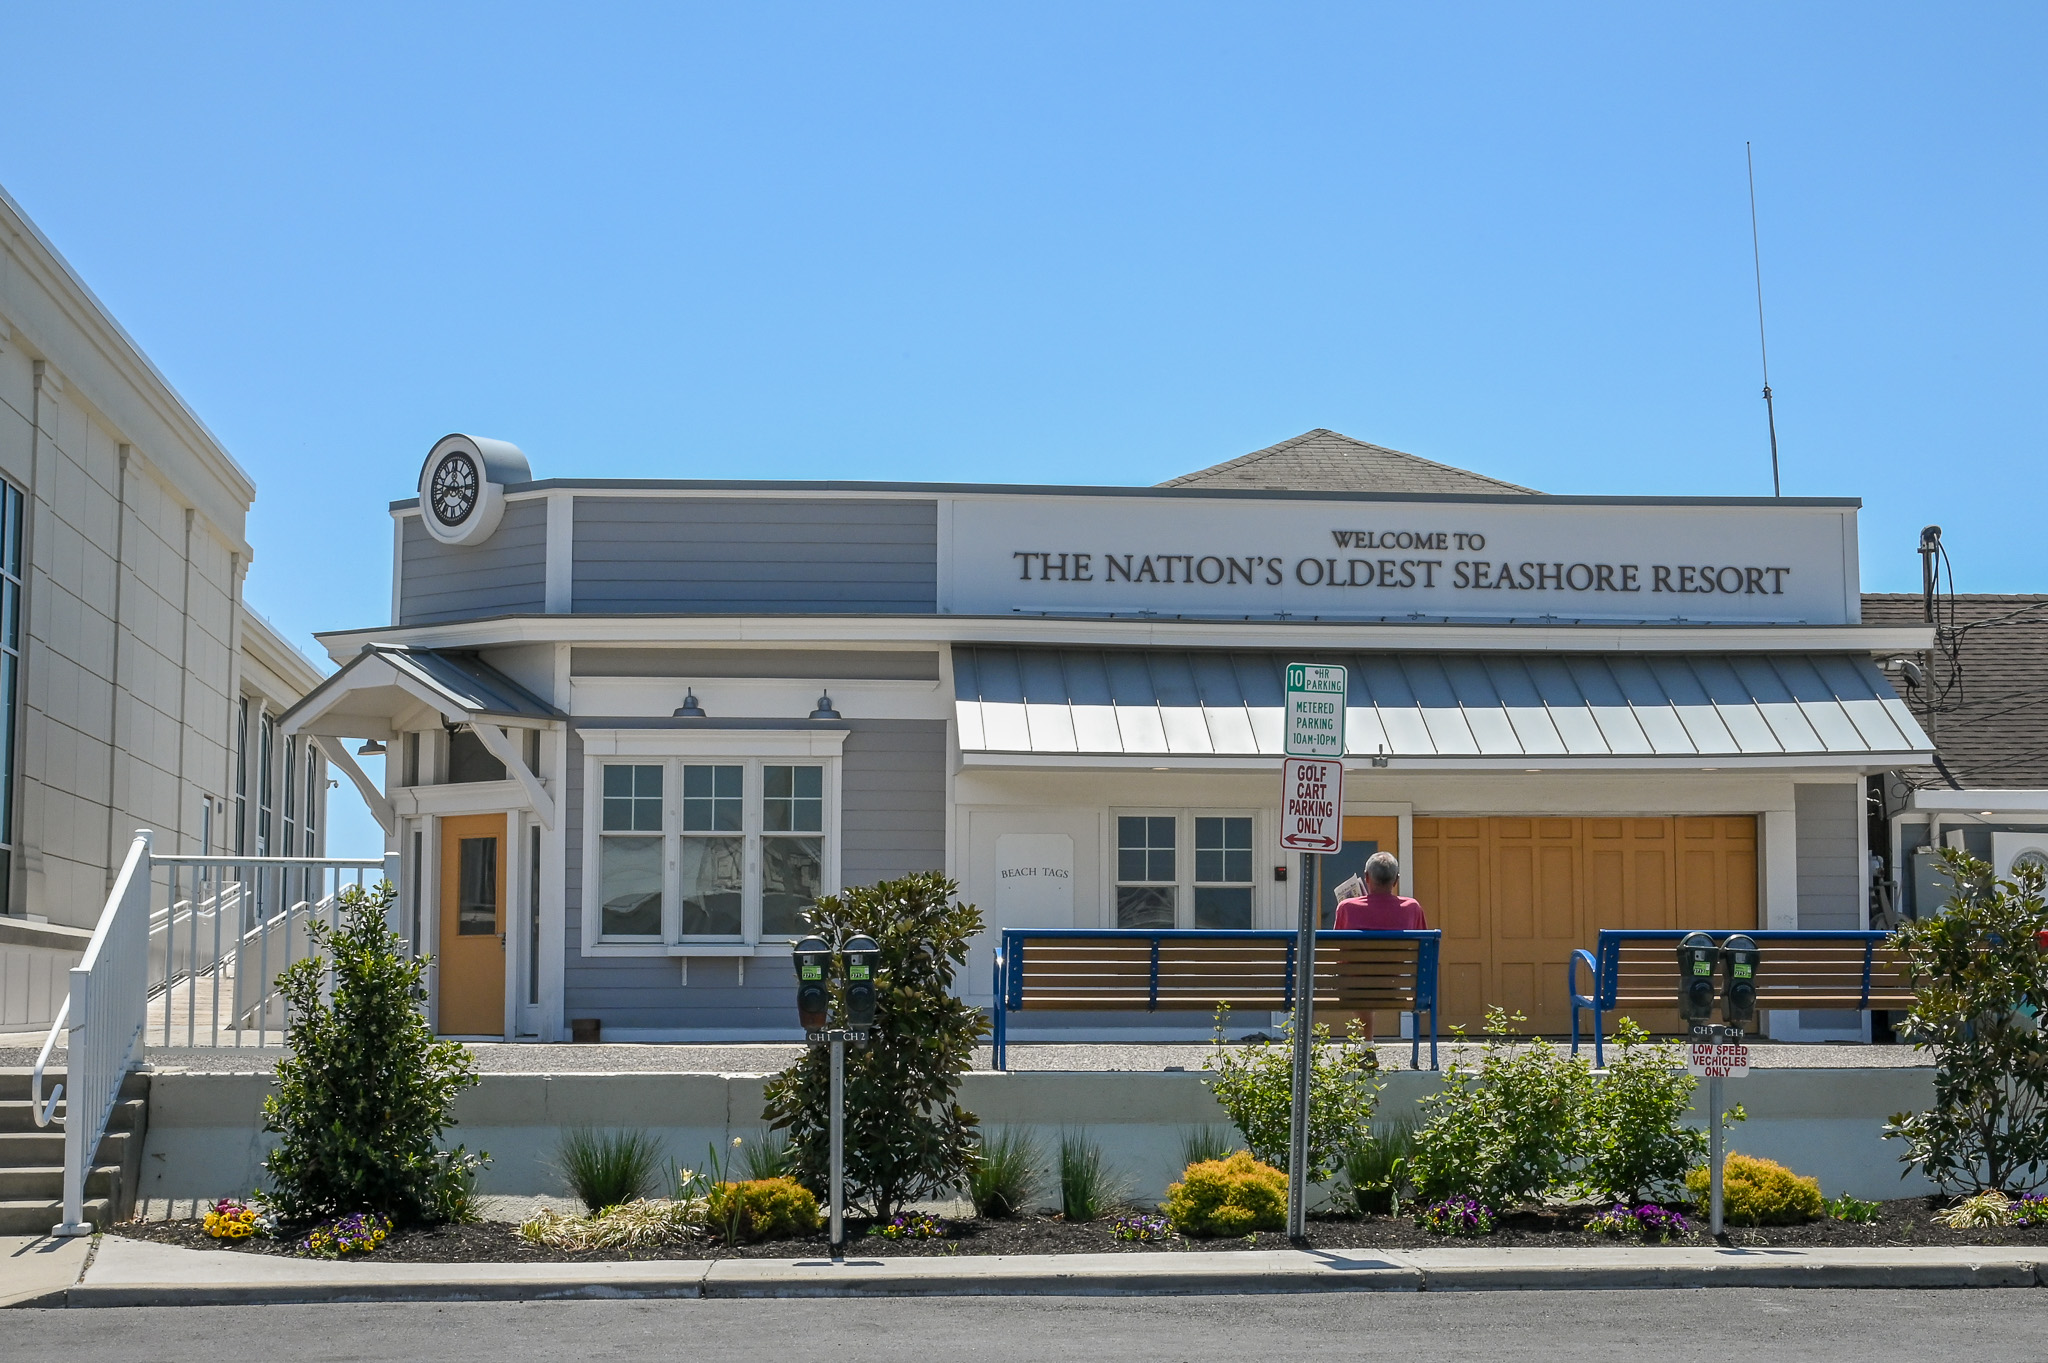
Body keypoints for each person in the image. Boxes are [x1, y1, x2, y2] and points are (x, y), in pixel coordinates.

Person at [1333, 852, 1427, 931]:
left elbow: (1336, 945)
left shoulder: (1346, 908)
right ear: (1396, 880)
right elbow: (1424, 944)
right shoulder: (1412, 908)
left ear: (1367, 877)